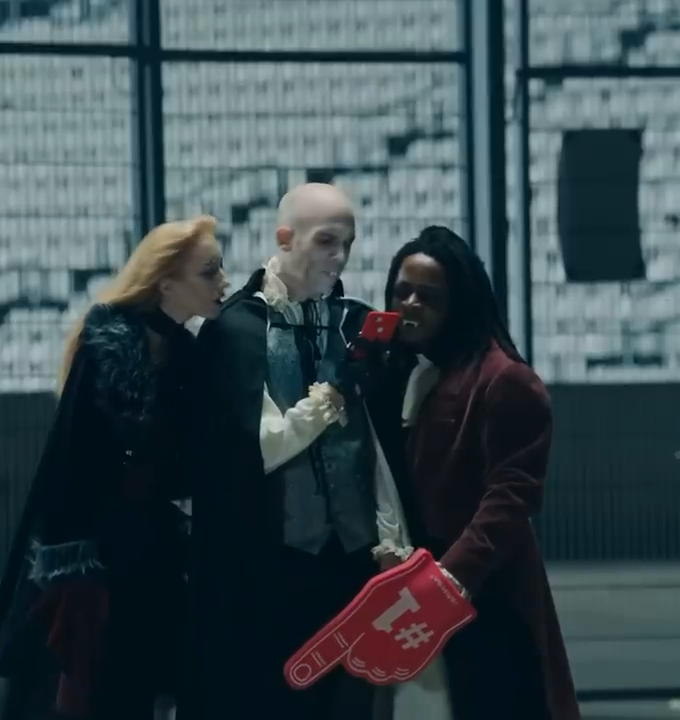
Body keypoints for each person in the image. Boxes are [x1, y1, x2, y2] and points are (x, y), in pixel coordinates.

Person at [0, 215, 229, 720]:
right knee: (85, 695)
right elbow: (69, 464)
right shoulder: (109, 343)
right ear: (166, 283)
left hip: (152, 552)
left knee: (142, 690)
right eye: (209, 272)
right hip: (93, 559)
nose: (222, 281)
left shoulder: (188, 352)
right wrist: (74, 572)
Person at [186, 183, 407, 720]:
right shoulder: (237, 329)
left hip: (354, 562)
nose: (340, 256)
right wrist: (335, 392)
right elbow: (251, 450)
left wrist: (390, 538)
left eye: (348, 243)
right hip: (268, 566)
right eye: (326, 241)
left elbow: (381, 447)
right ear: (285, 238)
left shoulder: (357, 324)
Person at [363, 225, 580, 720]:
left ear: (458, 305)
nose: (411, 305)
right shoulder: (397, 371)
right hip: (412, 592)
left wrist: (450, 578)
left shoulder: (504, 380)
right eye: (402, 291)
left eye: (429, 297)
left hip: (482, 597)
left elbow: (511, 496)